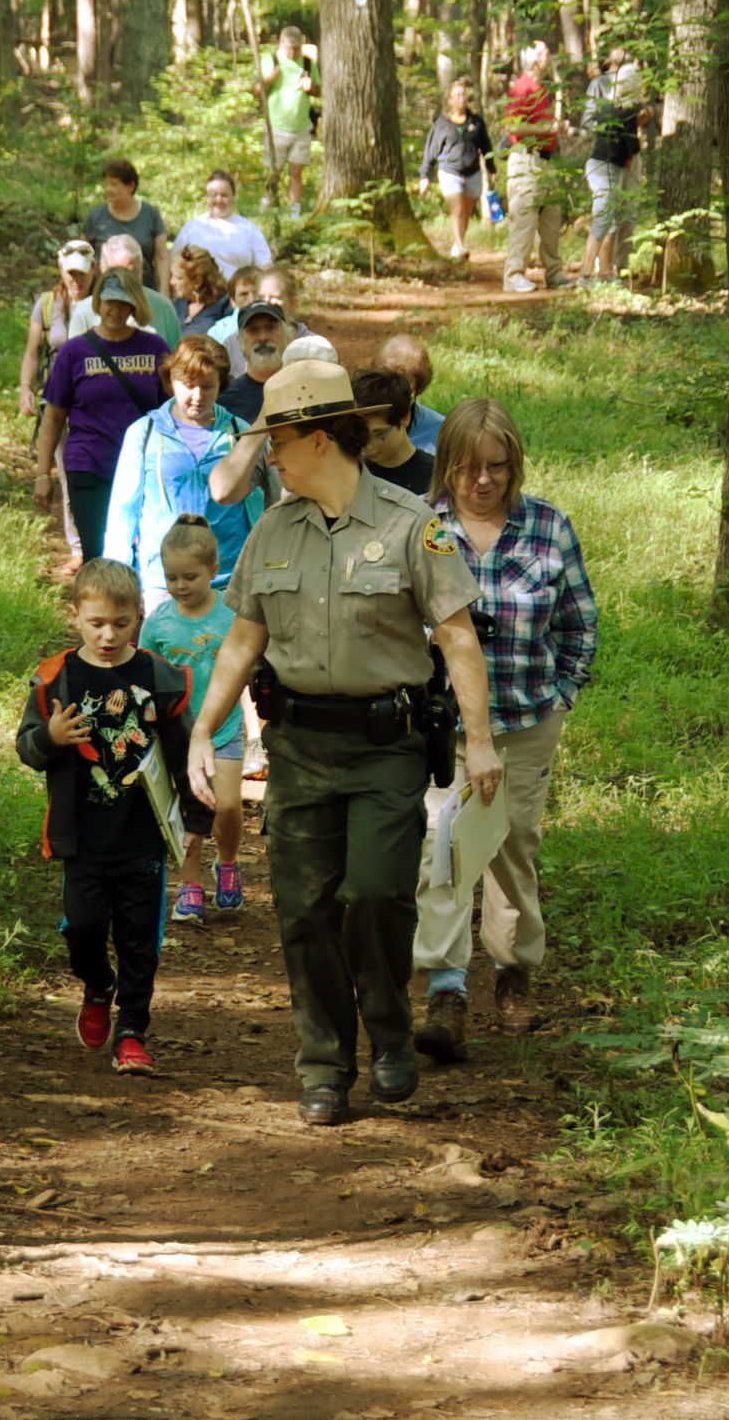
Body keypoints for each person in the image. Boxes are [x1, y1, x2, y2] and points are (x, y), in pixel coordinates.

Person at [186, 360, 503, 1128]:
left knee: (375, 893)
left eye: (279, 443)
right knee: (303, 909)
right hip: (299, 748)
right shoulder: (272, 530)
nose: (271, 457)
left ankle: (389, 1032)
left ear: (320, 439)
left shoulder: (407, 525)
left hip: (384, 745)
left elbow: (457, 637)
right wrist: (203, 725)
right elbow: (241, 638)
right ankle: (325, 1064)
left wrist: (481, 740)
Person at [411, 398, 598, 1059]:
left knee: (513, 842)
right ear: (447, 467)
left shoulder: (547, 527)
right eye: (467, 468)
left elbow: (579, 621)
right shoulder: (430, 529)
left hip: (525, 718)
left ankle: (513, 969)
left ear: (514, 465)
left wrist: (562, 692)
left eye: (496, 467)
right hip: (446, 725)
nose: (482, 481)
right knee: (444, 843)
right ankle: (446, 984)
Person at [15, 557, 213, 1075]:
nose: (108, 635)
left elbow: (182, 749)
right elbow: (27, 747)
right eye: (97, 623)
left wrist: (195, 822)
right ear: (75, 615)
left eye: (121, 624)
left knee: (138, 938)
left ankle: (133, 1032)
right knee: (82, 930)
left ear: (139, 617)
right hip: (81, 837)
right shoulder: (55, 679)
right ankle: (98, 985)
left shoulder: (158, 677)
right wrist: (50, 738)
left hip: (142, 836)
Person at [103, 333, 263, 606]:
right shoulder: (144, 433)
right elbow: (123, 511)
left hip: (227, 580)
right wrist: (116, 581)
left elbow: (257, 510)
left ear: (221, 385)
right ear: (170, 381)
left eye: (208, 386)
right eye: (188, 385)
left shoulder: (239, 432)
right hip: (163, 581)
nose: (197, 396)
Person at [140, 516, 246, 922]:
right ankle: (190, 883)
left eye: (190, 576)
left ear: (214, 571)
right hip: (178, 734)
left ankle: (230, 861)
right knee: (189, 810)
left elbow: (246, 665)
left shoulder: (231, 615)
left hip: (224, 726)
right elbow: (145, 674)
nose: (180, 585)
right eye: (171, 577)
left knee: (229, 807)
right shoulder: (159, 622)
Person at [34, 268, 168, 564]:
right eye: (109, 301)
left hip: (141, 465)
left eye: (123, 303)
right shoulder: (75, 352)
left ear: (134, 305)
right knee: (98, 554)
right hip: (89, 464)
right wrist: (43, 474)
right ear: (98, 302)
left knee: (140, 553)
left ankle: (137, 609)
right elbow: (54, 417)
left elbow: (171, 409)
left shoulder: (155, 348)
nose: (115, 310)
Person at [19, 241, 96, 577]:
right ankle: (78, 547)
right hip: (58, 399)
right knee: (66, 471)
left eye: (82, 273)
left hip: (92, 402)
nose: (76, 280)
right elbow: (33, 350)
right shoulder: (49, 305)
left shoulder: (104, 305)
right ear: (62, 272)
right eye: (71, 273)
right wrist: (25, 388)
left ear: (93, 271)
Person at [502, 42, 573, 294]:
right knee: (524, 221)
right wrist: (546, 129)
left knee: (551, 220)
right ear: (532, 60)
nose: (549, 57)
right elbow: (512, 127)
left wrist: (555, 127)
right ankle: (513, 275)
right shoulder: (522, 87)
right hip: (526, 162)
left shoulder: (542, 89)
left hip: (546, 161)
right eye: (543, 53)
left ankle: (554, 274)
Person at [576, 55, 651, 285]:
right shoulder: (627, 112)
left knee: (608, 221)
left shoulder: (608, 106)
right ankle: (586, 274)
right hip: (606, 169)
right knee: (603, 220)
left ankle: (605, 272)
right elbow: (632, 147)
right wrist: (638, 127)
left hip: (600, 165)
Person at [417, 78, 497, 259]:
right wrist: (424, 175)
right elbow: (431, 150)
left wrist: (492, 168)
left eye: (464, 95)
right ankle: (461, 248)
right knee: (457, 210)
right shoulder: (441, 123)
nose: (462, 98)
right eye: (457, 95)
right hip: (449, 171)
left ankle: (457, 244)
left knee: (466, 213)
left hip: (472, 172)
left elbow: (486, 146)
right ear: (450, 100)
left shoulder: (476, 122)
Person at [256, 26, 320, 218]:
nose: (293, 52)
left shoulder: (308, 64)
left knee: (296, 171)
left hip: (301, 127)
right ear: (281, 43)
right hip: (276, 127)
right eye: (290, 48)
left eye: (297, 48)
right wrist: (269, 79)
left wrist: (311, 88)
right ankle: (268, 203)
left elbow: (318, 90)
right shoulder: (271, 61)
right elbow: (257, 91)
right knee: (273, 171)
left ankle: (295, 211)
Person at [82, 158, 170, 296]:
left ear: (130, 186)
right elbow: (84, 255)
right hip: (104, 294)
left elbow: (162, 257)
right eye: (107, 184)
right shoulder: (96, 216)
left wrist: (164, 292)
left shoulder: (151, 214)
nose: (109, 189)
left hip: (144, 293)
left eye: (114, 184)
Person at [171, 170, 272, 281]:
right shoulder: (192, 227)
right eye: (213, 195)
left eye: (224, 195)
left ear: (233, 197)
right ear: (206, 198)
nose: (219, 200)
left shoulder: (249, 228)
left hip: (239, 293)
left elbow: (265, 265)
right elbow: (173, 263)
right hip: (199, 295)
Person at [351, 368, 435, 497]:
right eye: (360, 434)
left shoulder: (435, 476)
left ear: (405, 418)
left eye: (379, 434)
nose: (368, 445)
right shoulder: (353, 473)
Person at [223, 264, 313, 380]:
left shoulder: (312, 347)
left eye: (275, 297)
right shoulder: (231, 345)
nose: (267, 303)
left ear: (292, 302)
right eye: (261, 298)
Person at [93, 232, 181, 351]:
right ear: (102, 269)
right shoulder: (84, 311)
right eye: (116, 274)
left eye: (132, 274)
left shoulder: (163, 307)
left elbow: (175, 360)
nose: (125, 281)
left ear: (141, 270)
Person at [217, 299, 291, 423]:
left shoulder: (305, 389)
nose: (262, 337)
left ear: (287, 336)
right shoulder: (225, 403)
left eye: (270, 327)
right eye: (253, 330)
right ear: (241, 343)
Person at [378, 334, 444, 455]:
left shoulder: (440, 430)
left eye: (403, 384)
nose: (393, 391)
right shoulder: (360, 424)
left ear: (417, 388)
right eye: (385, 381)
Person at [202, 264, 263, 364]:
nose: (252, 299)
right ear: (233, 301)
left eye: (256, 292)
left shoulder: (280, 323)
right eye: (243, 294)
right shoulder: (219, 332)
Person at [170, 245, 232, 337]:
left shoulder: (225, 305)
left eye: (179, 278)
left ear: (197, 281)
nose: (172, 282)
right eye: (172, 275)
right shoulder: (178, 304)